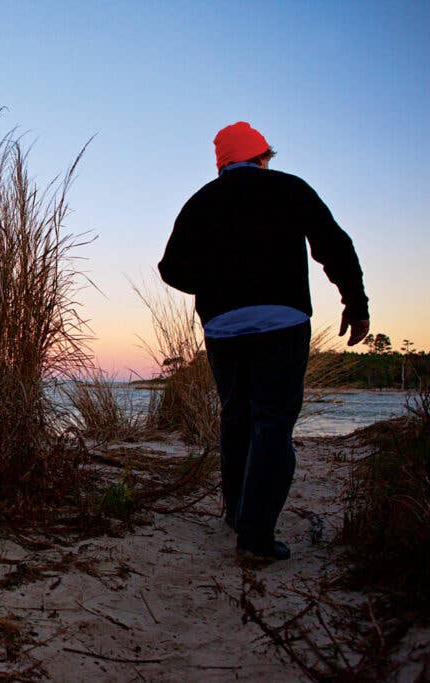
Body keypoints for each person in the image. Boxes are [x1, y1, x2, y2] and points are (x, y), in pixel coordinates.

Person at [158, 121, 370, 561]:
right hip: (282, 322)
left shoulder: (202, 201)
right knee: (272, 422)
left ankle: (237, 513)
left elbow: (171, 268)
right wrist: (355, 303)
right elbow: (334, 245)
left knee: (236, 416)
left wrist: (216, 284)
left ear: (222, 165)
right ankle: (254, 537)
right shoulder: (290, 189)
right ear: (261, 157)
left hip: (223, 328)